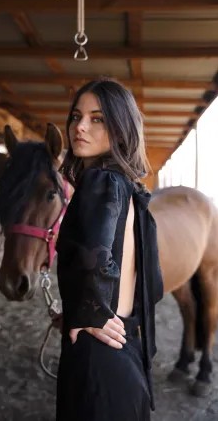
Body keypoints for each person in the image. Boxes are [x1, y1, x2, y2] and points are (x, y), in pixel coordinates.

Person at [55, 77, 164, 421]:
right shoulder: (127, 186)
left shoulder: (100, 181)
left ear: (120, 130)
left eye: (97, 118)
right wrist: (80, 307)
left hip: (97, 359)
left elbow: (97, 257)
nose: (80, 127)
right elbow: (151, 284)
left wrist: (89, 313)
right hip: (125, 347)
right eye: (76, 116)